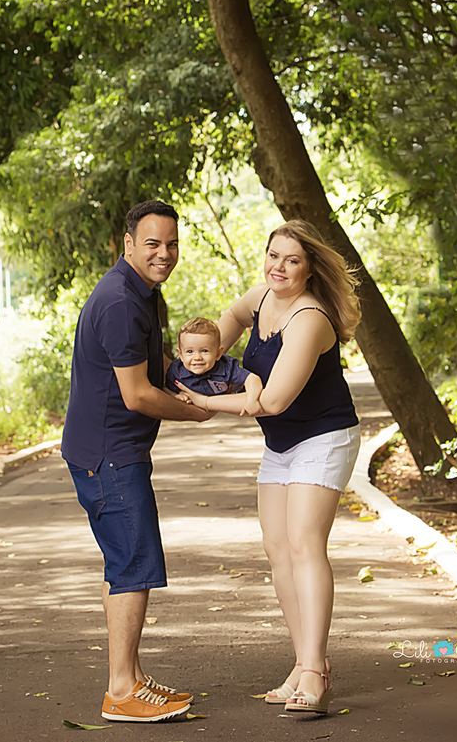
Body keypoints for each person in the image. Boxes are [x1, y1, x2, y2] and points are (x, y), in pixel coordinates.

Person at [175, 219, 361, 715]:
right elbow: (217, 335)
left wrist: (205, 402)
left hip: (323, 437)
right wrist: (203, 365)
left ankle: (316, 672)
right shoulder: (259, 299)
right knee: (277, 550)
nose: (278, 267)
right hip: (280, 445)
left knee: (303, 544)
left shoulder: (309, 318)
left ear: (309, 268)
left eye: (292, 260)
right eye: (273, 255)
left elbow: (274, 400)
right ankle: (303, 663)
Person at [61, 199, 213, 723]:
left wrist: (202, 381)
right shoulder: (121, 302)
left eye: (171, 244)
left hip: (107, 452)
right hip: (109, 457)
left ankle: (132, 677)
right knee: (133, 566)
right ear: (128, 244)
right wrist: (196, 414)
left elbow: (154, 366)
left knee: (123, 564)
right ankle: (121, 691)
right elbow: (138, 395)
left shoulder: (141, 292)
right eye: (152, 243)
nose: (164, 253)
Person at [165, 316, 263, 400]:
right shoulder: (176, 371)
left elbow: (252, 378)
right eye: (190, 351)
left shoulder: (227, 367)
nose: (197, 357)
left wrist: (252, 401)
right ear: (181, 355)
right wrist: (176, 395)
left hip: (223, 405)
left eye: (205, 351)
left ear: (218, 354)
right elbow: (165, 388)